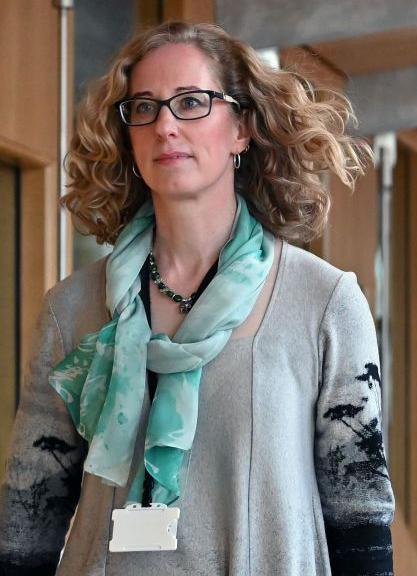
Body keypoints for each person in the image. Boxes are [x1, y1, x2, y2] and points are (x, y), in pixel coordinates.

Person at [0, 21, 393, 575]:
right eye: (145, 107)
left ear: (242, 128)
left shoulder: (324, 303)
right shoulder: (72, 309)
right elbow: (29, 515)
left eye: (191, 102)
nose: (165, 126)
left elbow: (361, 518)